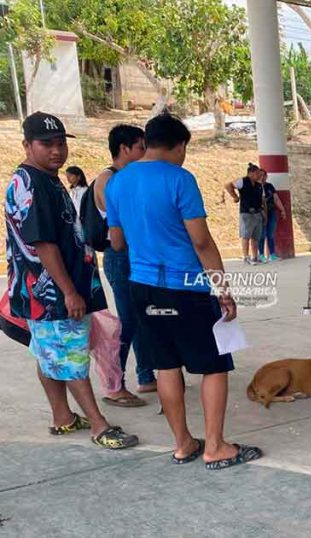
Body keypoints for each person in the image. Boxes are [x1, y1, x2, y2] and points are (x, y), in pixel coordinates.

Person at [106, 113, 260, 468]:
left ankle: (183, 443)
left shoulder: (117, 183)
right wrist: (223, 290)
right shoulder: (180, 179)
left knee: (166, 366)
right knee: (214, 366)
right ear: (179, 146)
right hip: (185, 288)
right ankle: (215, 446)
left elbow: (116, 242)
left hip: (141, 288)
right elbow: (202, 242)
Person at [6, 112, 137, 449]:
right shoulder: (33, 185)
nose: (56, 151)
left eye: (61, 143)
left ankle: (62, 417)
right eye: (46, 144)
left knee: (49, 354)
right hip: (53, 294)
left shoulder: (42, 179)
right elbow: (43, 244)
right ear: (27, 145)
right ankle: (98, 424)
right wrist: (69, 292)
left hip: (48, 292)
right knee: (71, 357)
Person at [91, 124, 154, 407]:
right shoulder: (108, 179)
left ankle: (146, 375)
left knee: (143, 317)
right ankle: (113, 384)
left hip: (138, 254)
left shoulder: (131, 177)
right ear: (124, 148)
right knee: (128, 321)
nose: (144, 152)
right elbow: (125, 220)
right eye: (141, 147)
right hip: (121, 256)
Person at [224, 164, 265, 265]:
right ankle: (246, 257)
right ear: (250, 173)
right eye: (257, 173)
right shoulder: (242, 181)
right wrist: (235, 197)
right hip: (246, 213)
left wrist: (264, 214)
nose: (259, 175)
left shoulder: (259, 185)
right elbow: (228, 185)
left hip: (257, 212)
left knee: (256, 236)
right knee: (246, 236)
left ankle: (255, 256)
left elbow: (262, 200)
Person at [257, 169, 286, 263]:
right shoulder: (255, 186)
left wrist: (282, 209)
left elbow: (276, 199)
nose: (262, 178)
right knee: (261, 234)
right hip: (260, 213)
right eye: (260, 175)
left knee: (270, 234)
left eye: (264, 175)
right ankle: (261, 255)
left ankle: (272, 254)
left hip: (271, 211)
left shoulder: (269, 186)